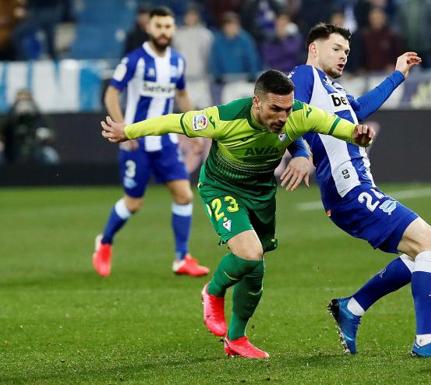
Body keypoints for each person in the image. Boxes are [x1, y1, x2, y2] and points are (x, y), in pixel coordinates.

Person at [100, 69, 375, 359]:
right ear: (256, 102)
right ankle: (213, 292)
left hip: (261, 193)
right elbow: (173, 122)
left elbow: (342, 128)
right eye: (275, 109)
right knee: (249, 252)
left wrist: (359, 135)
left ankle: (236, 338)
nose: (282, 117)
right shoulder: (224, 117)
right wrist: (128, 131)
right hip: (222, 188)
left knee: (255, 270)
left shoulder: (299, 115)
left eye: (287, 109)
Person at [289, 23, 431, 357]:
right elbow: (289, 116)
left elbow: (360, 108)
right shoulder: (304, 76)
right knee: (430, 242)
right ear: (314, 48)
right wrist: (301, 154)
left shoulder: (334, 91)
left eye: (346, 51)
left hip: (357, 188)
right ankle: (426, 341)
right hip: (347, 188)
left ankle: (352, 308)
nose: (344, 56)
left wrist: (398, 74)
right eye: (336, 49)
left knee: (418, 253)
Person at [91, 6, 210, 278]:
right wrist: (125, 129)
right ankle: (105, 241)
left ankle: (182, 258)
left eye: (168, 26)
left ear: (173, 29)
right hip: (136, 143)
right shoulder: (134, 60)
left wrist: (192, 131)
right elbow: (111, 94)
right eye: (159, 26)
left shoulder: (177, 62)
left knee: (184, 194)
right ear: (149, 28)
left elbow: (181, 95)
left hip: (166, 142)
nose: (164, 31)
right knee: (133, 203)